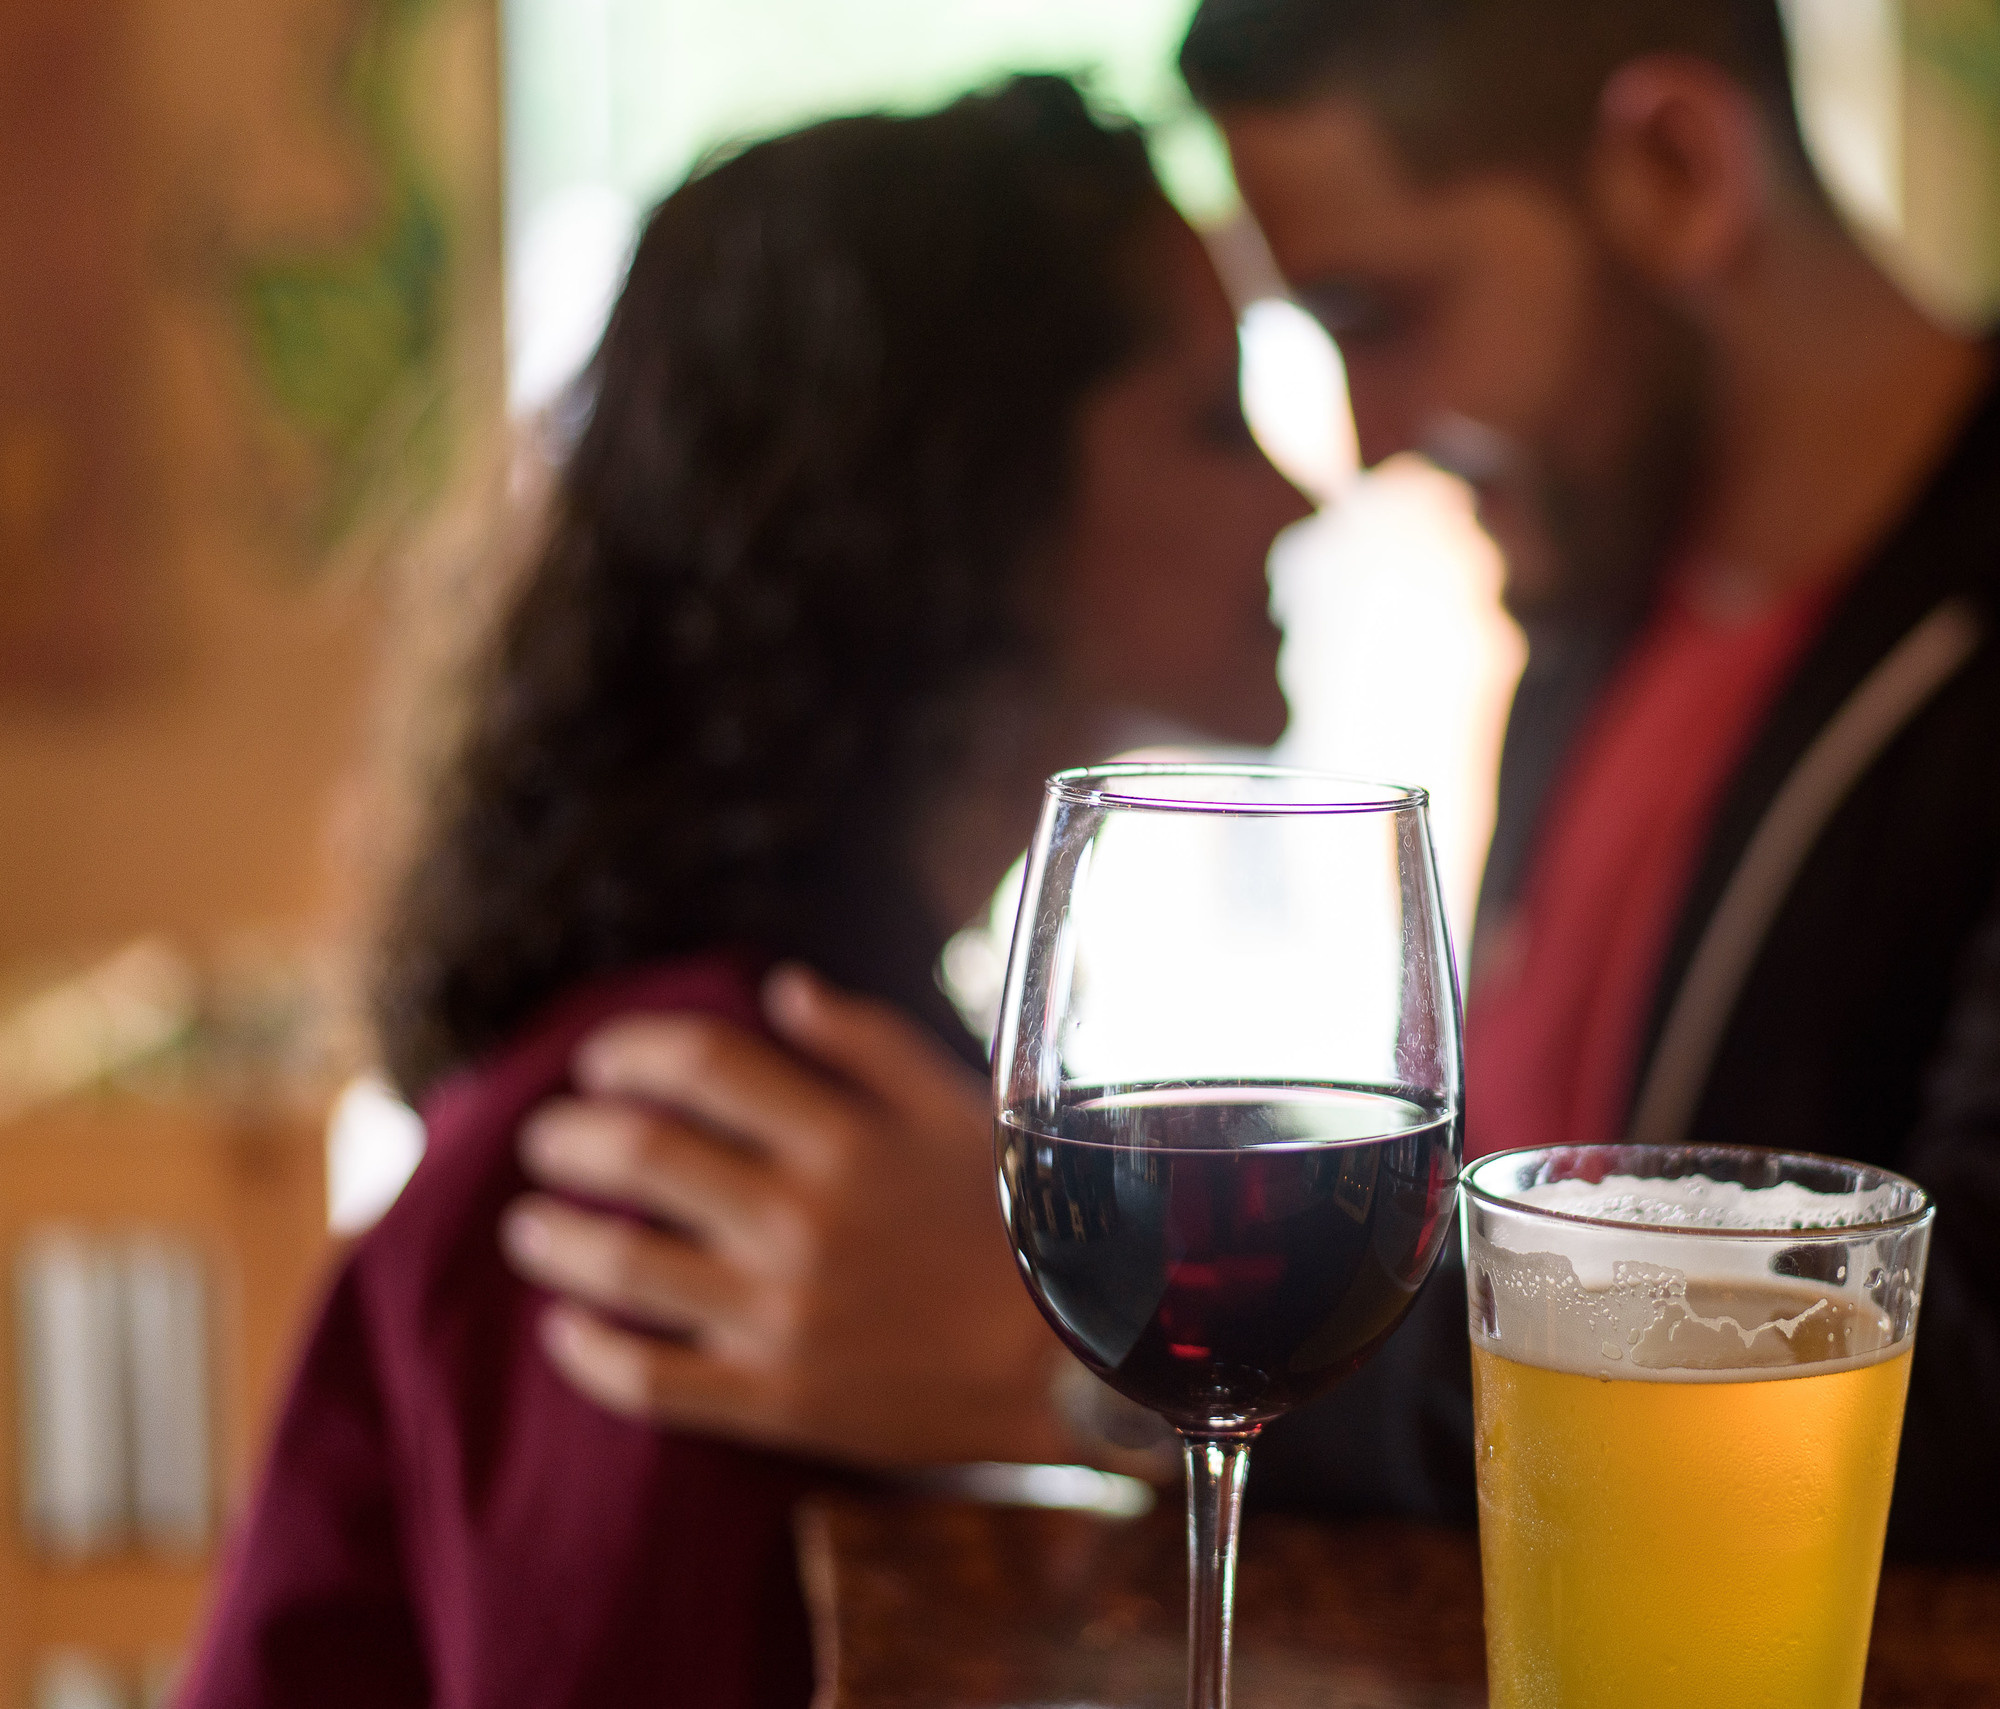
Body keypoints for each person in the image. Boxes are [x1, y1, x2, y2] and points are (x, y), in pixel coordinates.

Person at [498, 0, 2000, 1566]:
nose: (1353, 442)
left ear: (1674, 168)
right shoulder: (1597, 616)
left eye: (1381, 311)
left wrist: (1079, 1369)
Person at [179, 76, 1307, 1708]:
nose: (1298, 493)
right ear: (967, 494)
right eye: (1213, 420)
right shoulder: (699, 1130)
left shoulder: (818, 1064)